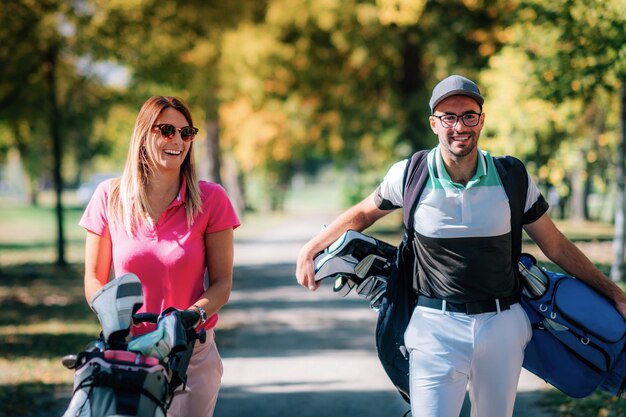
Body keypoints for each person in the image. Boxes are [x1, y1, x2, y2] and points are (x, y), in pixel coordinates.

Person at [296, 75, 626, 417]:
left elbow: (557, 246)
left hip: (502, 325)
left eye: (468, 115)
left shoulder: (512, 176)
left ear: (481, 120)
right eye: (448, 117)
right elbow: (363, 214)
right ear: (434, 123)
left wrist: (616, 295)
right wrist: (311, 249)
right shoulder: (410, 174)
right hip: (434, 328)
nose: (459, 126)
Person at [79, 96, 240, 417]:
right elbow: (94, 278)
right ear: (143, 134)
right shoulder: (108, 197)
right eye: (166, 130)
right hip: (125, 352)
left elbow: (221, 284)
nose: (178, 141)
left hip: (189, 353)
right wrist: (114, 320)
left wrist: (186, 320)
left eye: (186, 132)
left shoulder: (212, 199)